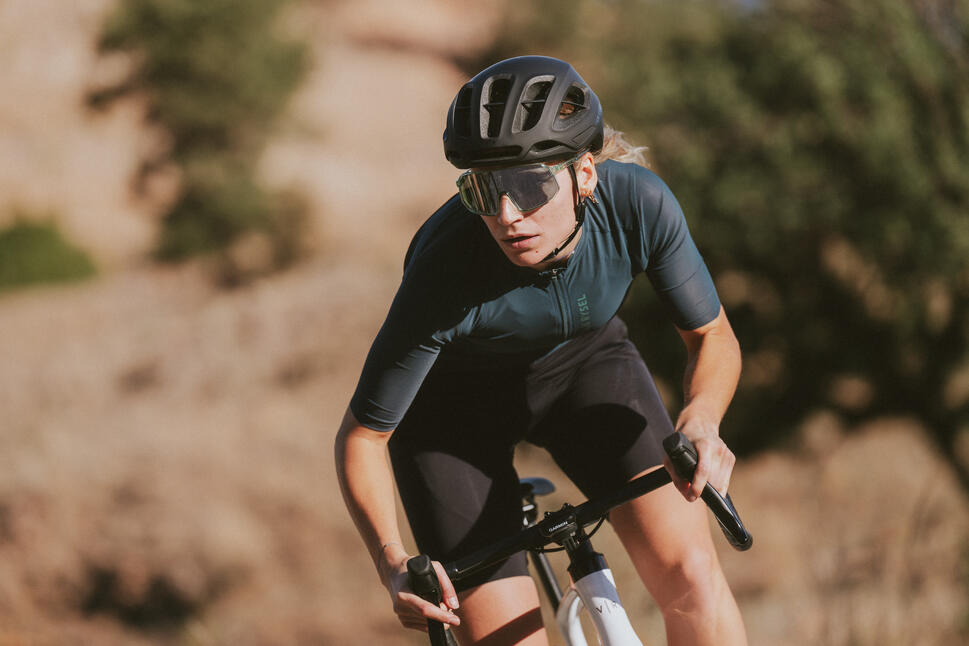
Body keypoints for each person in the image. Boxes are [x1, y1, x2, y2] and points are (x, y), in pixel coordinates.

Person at [335, 55, 748, 646]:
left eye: (530, 186)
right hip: (453, 423)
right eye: (483, 189)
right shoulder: (444, 272)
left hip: (586, 368)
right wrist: (390, 561)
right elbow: (362, 437)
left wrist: (702, 419)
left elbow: (712, 337)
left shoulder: (639, 205)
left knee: (693, 579)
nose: (506, 216)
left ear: (585, 174)